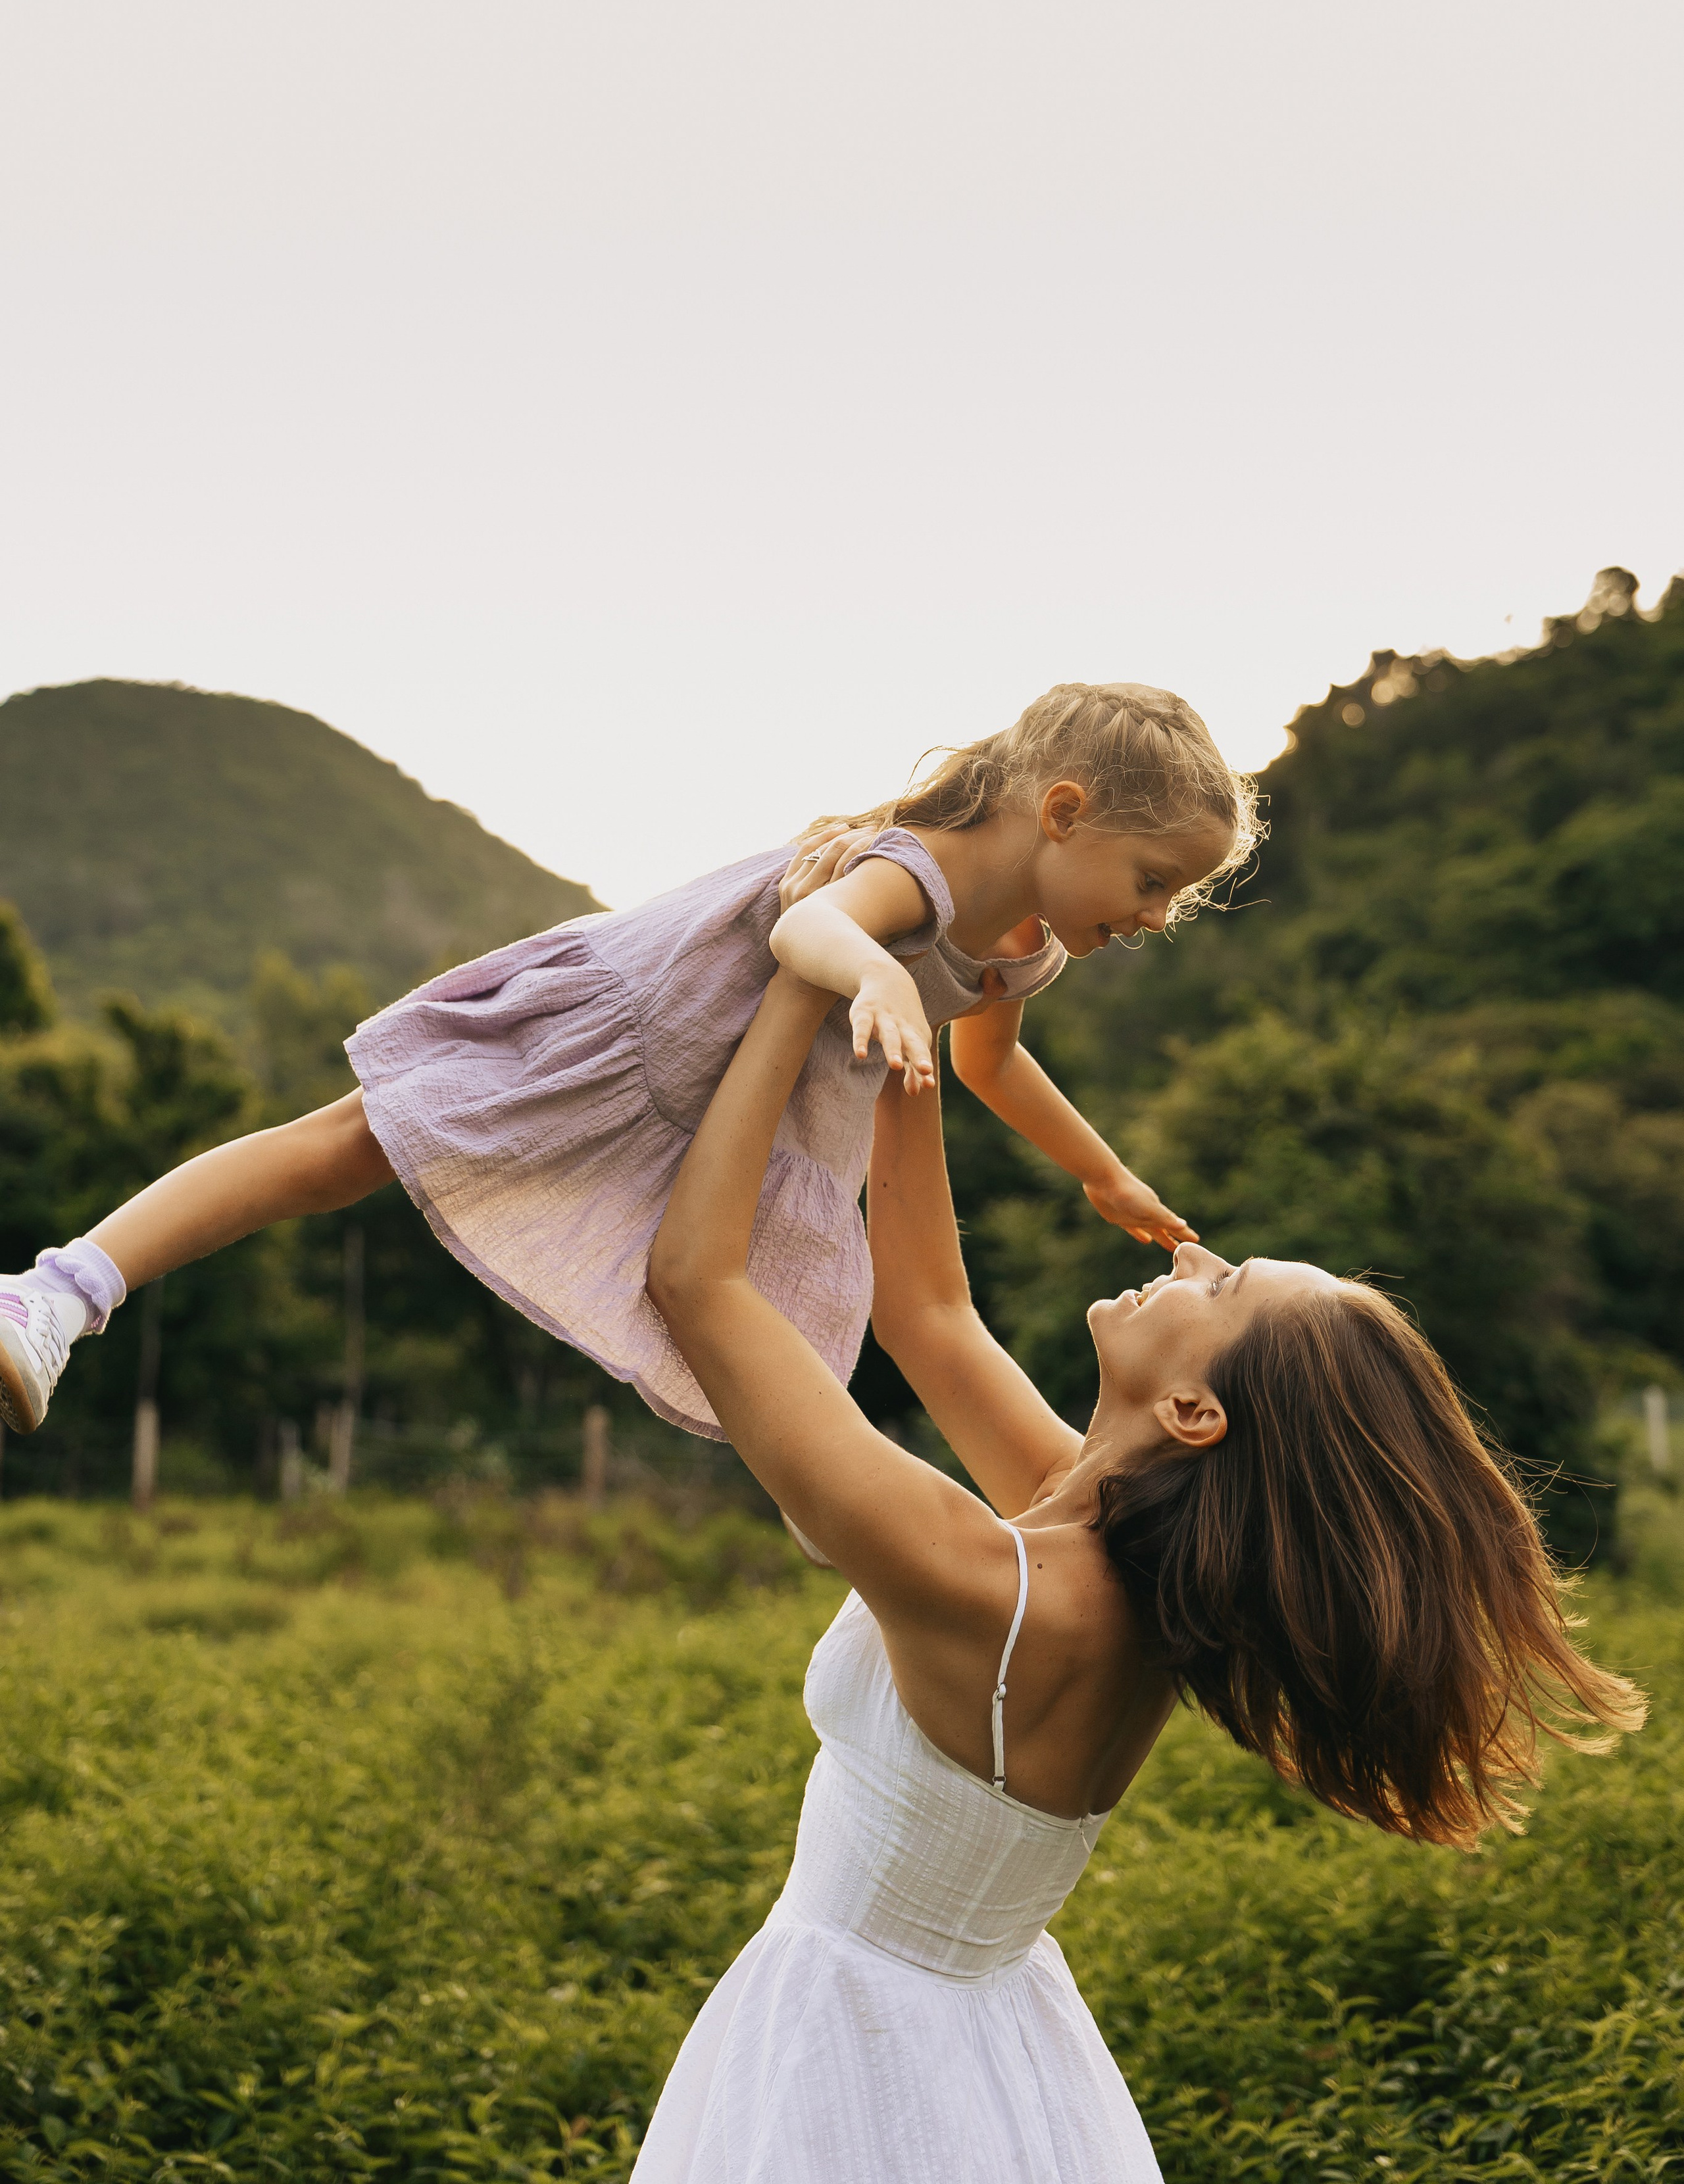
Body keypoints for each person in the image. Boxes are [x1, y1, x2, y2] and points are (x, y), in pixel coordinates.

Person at [633, 966, 1645, 2183]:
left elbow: (697, 1279)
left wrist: (808, 985)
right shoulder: (1115, 1544)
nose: (1192, 1258)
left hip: (851, 2047)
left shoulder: (994, 1583)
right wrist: (908, 1027)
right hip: (993, 2045)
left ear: (1193, 1409)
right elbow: (928, 1312)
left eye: (1220, 1288)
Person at [0, 681, 1252, 1440]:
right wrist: (872, 970)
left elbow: (990, 1063)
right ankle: (56, 1294)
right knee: (344, 1148)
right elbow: (805, 929)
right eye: (1152, 882)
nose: (1153, 916)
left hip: (734, 1111)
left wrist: (1104, 1174)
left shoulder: (1027, 947)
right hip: (649, 1024)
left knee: (741, 1317)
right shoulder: (914, 866)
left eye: (1177, 901)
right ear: (1066, 810)